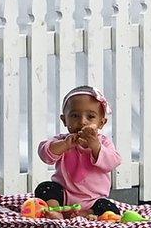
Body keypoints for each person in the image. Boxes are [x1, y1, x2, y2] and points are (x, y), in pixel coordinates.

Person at [36, 86, 122, 216]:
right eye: (75, 116)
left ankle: (86, 213)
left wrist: (95, 147)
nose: (82, 122)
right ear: (64, 120)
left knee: (110, 209)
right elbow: (44, 153)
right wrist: (64, 145)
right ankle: (54, 211)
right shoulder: (63, 140)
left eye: (90, 116)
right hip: (63, 195)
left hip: (93, 200)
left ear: (101, 123)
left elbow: (113, 162)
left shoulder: (103, 143)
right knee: (45, 188)